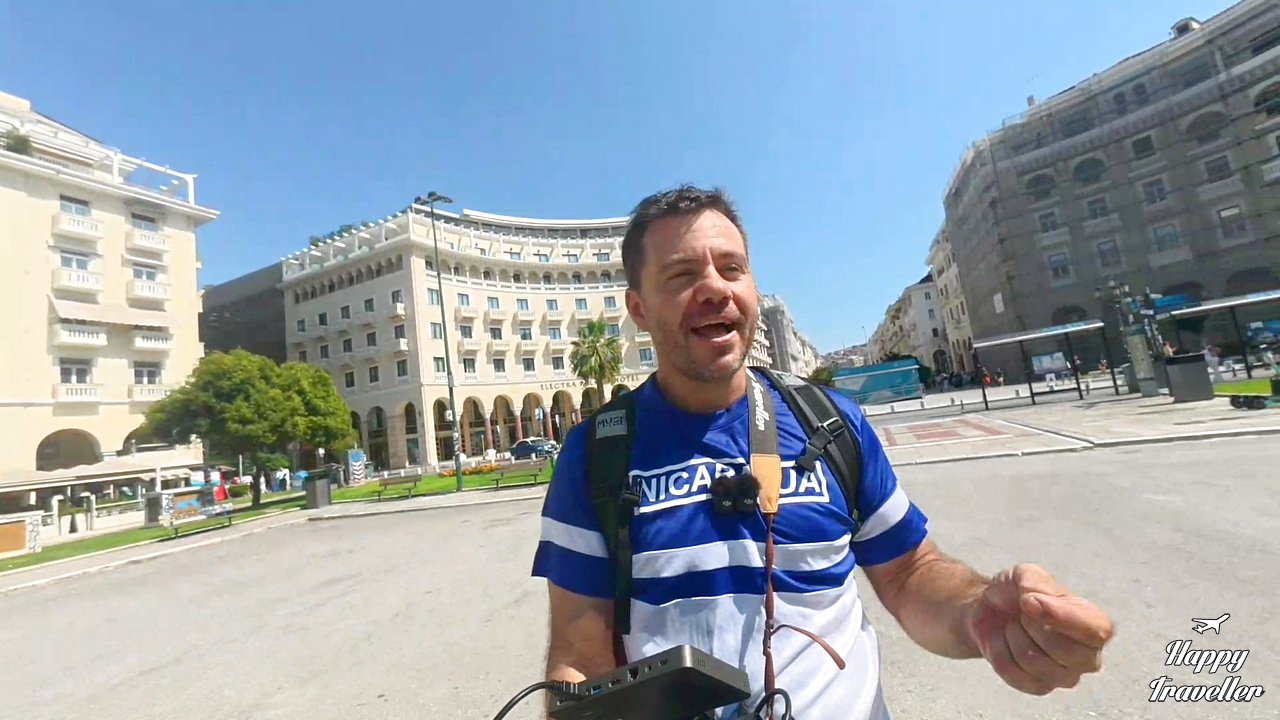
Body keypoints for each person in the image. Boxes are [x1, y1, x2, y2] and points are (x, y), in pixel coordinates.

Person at [531, 185, 1113, 719]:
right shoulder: (596, 453)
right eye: (683, 274)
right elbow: (579, 657)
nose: (715, 288)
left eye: (732, 268)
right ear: (638, 309)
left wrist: (978, 614)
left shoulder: (830, 423)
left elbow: (910, 573)